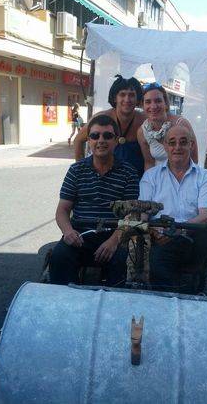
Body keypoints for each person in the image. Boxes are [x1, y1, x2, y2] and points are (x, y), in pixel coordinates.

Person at [139, 121, 207, 297]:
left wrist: (175, 229)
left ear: (191, 145)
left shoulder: (205, 177)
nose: (178, 147)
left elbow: (205, 217)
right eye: (172, 142)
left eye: (183, 142)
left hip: (196, 238)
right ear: (165, 146)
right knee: (161, 283)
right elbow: (143, 214)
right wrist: (155, 232)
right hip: (163, 240)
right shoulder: (150, 177)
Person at [50, 114, 139, 286]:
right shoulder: (76, 170)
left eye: (107, 136)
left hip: (114, 235)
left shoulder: (129, 172)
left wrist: (113, 241)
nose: (101, 140)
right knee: (59, 257)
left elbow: (132, 214)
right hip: (80, 234)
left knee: (123, 262)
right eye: (95, 136)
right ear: (89, 141)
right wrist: (68, 232)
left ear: (116, 140)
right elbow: (62, 210)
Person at [74, 75, 146, 177]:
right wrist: (81, 173)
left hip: (136, 182)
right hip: (105, 182)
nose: (127, 99)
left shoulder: (144, 120)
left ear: (137, 98)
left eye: (132, 95)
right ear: (114, 97)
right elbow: (78, 140)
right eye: (122, 94)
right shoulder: (100, 118)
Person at [137, 83, 199, 171]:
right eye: (148, 102)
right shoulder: (142, 132)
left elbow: (194, 159)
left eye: (158, 101)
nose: (153, 106)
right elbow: (149, 163)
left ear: (165, 104)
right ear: (143, 105)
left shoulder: (181, 124)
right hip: (158, 181)